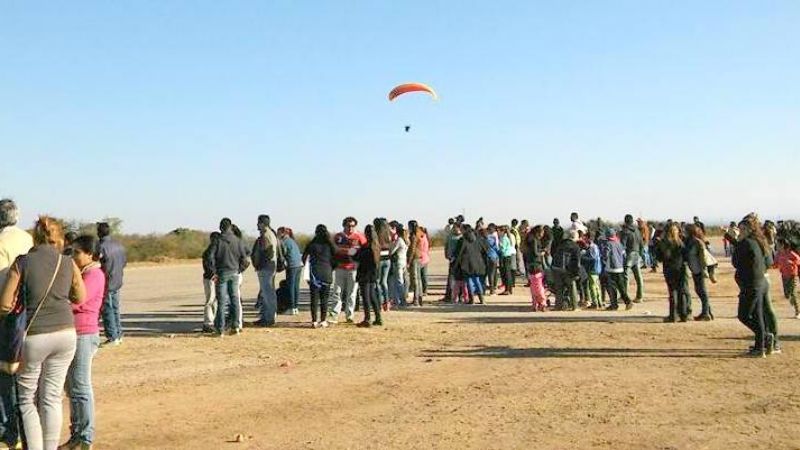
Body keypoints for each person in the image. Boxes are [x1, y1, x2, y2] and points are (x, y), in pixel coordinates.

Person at [0, 217, 86, 450]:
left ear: (34, 236)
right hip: (66, 333)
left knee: (27, 399)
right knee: (52, 397)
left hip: (35, 335)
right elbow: (81, 297)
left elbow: (5, 303)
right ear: (58, 237)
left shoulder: (23, 262)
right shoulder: (67, 262)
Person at [62, 235, 105, 450]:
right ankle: (76, 434)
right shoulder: (82, 273)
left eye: (77, 252)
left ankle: (85, 437)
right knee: (72, 388)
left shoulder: (94, 275)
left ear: (90, 254)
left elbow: (78, 300)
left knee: (80, 386)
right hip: (74, 333)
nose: (73, 256)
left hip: (84, 334)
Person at [0, 199, 33, 449]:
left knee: (4, 373)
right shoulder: (28, 239)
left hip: (5, 313)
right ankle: (20, 429)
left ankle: (8, 431)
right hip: (25, 312)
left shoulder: (1, 242)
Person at [733, 215, 774, 357]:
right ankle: (760, 345)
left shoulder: (746, 243)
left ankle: (765, 337)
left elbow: (735, 262)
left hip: (751, 285)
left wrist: (738, 242)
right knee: (757, 315)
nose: (740, 231)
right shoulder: (759, 241)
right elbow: (768, 262)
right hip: (760, 282)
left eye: (742, 229)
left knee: (743, 315)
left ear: (749, 229)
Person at [209, 218, 249, 335]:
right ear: (230, 227)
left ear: (221, 227)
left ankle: (220, 329)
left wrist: (213, 272)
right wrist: (239, 269)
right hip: (235, 272)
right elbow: (245, 259)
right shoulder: (238, 240)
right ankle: (235, 326)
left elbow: (210, 257)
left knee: (221, 301)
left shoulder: (218, 241)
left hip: (222, 273)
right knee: (235, 299)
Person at [330, 217, 367, 323]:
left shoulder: (359, 236)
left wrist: (356, 256)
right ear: (344, 225)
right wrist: (346, 251)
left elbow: (364, 250)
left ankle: (349, 315)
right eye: (348, 226)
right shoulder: (338, 236)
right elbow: (334, 250)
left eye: (353, 226)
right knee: (337, 292)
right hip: (340, 268)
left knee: (351, 293)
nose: (350, 228)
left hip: (353, 269)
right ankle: (334, 314)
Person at [96, 221, 126, 347]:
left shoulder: (100, 247)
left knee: (107, 309)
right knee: (115, 308)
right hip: (117, 280)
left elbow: (97, 265)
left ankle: (113, 336)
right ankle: (118, 334)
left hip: (107, 281)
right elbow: (124, 262)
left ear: (99, 232)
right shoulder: (118, 245)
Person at [303, 225, 336, 328]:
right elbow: (336, 259)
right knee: (324, 299)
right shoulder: (330, 245)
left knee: (314, 299)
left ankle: (314, 321)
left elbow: (304, 258)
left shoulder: (311, 244)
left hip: (314, 274)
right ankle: (323, 320)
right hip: (327, 273)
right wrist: (331, 268)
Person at [251, 215, 279, 327]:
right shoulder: (271, 234)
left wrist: (260, 265)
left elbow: (268, 252)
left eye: (258, 223)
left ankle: (269, 318)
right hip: (270, 267)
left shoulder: (266, 235)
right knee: (268, 293)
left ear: (263, 223)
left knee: (267, 294)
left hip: (266, 268)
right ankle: (267, 316)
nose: (257, 225)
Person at [684, 224, 713, 321]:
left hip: (699, 269)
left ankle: (706, 313)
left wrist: (704, 270)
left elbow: (703, 257)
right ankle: (708, 312)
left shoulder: (697, 242)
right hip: (695, 269)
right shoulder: (690, 241)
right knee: (699, 291)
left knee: (702, 291)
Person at [355, 225, 382, 327]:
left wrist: (354, 252)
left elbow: (357, 257)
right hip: (373, 273)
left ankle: (367, 319)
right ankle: (378, 317)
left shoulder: (366, 247)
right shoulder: (376, 245)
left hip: (364, 273)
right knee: (372, 296)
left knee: (366, 297)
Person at [453, 225, 486, 304]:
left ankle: (472, 300)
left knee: (469, 281)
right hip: (478, 263)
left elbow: (459, 253)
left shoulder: (462, 240)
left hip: (466, 263)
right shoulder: (478, 239)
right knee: (477, 280)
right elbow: (484, 250)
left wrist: (455, 265)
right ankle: (482, 299)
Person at [601, 228, 633, 311]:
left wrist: (604, 260)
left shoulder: (608, 244)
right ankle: (628, 301)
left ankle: (614, 305)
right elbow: (624, 255)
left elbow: (605, 255)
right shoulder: (619, 243)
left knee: (612, 288)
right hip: (620, 268)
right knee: (621, 287)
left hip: (611, 269)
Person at [551, 229, 581, 311]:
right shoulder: (575, 247)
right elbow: (577, 262)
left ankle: (558, 306)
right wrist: (577, 273)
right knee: (572, 287)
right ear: (575, 237)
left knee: (559, 288)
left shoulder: (560, 244)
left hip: (556, 268)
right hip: (567, 270)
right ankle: (575, 306)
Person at [619, 214, 645, 303]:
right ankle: (640, 296)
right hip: (637, 254)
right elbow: (642, 244)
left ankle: (624, 297)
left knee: (625, 276)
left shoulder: (625, 231)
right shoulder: (637, 231)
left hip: (629, 254)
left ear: (625, 221)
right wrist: (641, 255)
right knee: (638, 276)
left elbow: (622, 245)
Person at [278, 227, 303, 316]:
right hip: (299, 265)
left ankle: (291, 307)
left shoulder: (284, 242)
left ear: (283, 233)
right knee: (296, 287)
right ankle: (295, 307)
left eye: (279, 233)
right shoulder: (293, 241)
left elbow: (282, 254)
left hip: (292, 266)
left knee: (291, 287)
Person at [775, 238, 800, 319]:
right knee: (787, 295)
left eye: (778, 244)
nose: (776, 246)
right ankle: (794, 300)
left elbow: (798, 260)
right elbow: (775, 263)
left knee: (793, 292)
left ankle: (798, 312)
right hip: (784, 276)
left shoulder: (790, 253)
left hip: (793, 275)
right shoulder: (778, 254)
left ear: (782, 245)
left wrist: (791, 262)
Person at [200, 232, 220, 333]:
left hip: (211, 277)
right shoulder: (213, 248)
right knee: (210, 300)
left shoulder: (212, 248)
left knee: (214, 300)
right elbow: (209, 261)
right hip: (210, 278)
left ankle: (212, 321)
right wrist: (213, 274)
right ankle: (208, 323)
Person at [525, 226, 547, 311]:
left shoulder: (530, 240)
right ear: (538, 232)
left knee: (533, 286)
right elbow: (535, 253)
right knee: (539, 286)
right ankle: (542, 303)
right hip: (536, 265)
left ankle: (535, 304)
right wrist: (542, 253)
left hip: (531, 265)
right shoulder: (534, 240)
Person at [389, 222, 408, 307]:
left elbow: (392, 251)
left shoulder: (399, 240)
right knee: (401, 281)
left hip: (398, 262)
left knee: (398, 282)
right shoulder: (405, 240)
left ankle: (401, 300)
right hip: (403, 261)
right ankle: (399, 299)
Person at [582, 231, 603, 309]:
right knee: (597, 286)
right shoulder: (595, 246)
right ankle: (599, 302)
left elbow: (592, 258)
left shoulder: (592, 247)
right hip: (597, 269)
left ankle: (595, 303)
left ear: (588, 238)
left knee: (593, 286)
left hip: (593, 269)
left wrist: (582, 257)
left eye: (585, 237)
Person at [374, 219, 393, 311]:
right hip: (387, 260)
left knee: (377, 282)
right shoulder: (388, 235)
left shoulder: (377, 235)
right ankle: (387, 303)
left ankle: (380, 303)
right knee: (384, 282)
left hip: (379, 260)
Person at [407, 220, 424, 306]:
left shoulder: (414, 236)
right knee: (419, 279)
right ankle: (419, 297)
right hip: (419, 257)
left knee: (415, 279)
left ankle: (416, 299)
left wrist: (409, 261)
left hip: (414, 258)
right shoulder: (420, 233)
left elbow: (412, 249)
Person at [498, 227, 515, 295]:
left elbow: (502, 249)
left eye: (499, 231)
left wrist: (498, 250)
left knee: (506, 274)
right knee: (508, 274)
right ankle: (509, 289)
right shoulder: (507, 238)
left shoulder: (503, 239)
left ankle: (507, 289)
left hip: (504, 257)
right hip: (508, 256)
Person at [485, 224, 500, 295]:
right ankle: (493, 288)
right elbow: (497, 248)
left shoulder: (485, 238)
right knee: (494, 273)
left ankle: (491, 289)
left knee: (490, 274)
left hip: (488, 256)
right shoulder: (494, 237)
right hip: (494, 256)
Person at [419, 227, 431, 296]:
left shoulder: (421, 238)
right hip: (426, 258)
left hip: (422, 258)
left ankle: (423, 289)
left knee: (421, 276)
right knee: (424, 275)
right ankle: (425, 289)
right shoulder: (426, 238)